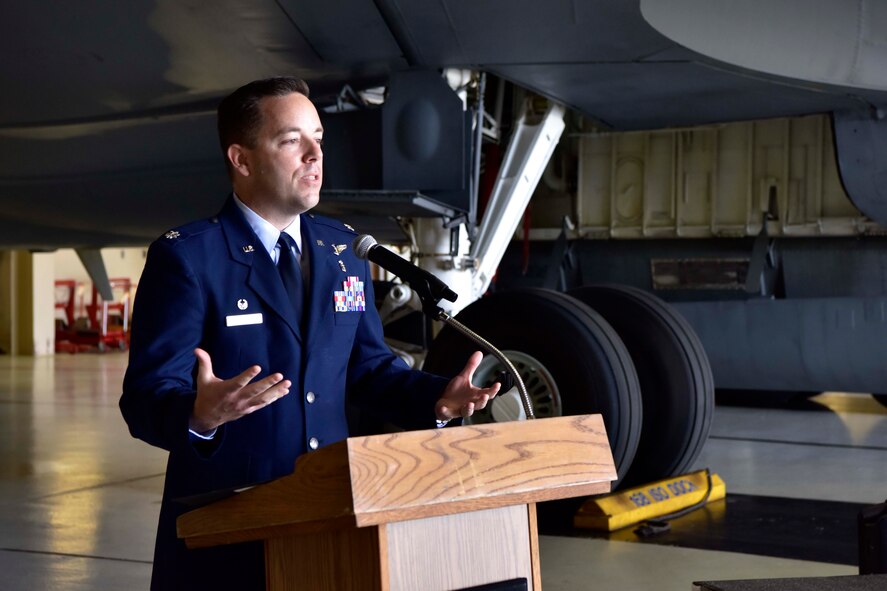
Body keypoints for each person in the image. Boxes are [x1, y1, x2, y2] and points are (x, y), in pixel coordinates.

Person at [120, 76, 500, 590]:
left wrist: (438, 398)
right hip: (230, 530)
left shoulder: (345, 249)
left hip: (332, 514)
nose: (315, 154)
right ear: (242, 158)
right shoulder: (188, 258)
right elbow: (144, 398)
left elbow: (368, 369)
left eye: (318, 137)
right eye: (291, 139)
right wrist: (198, 415)